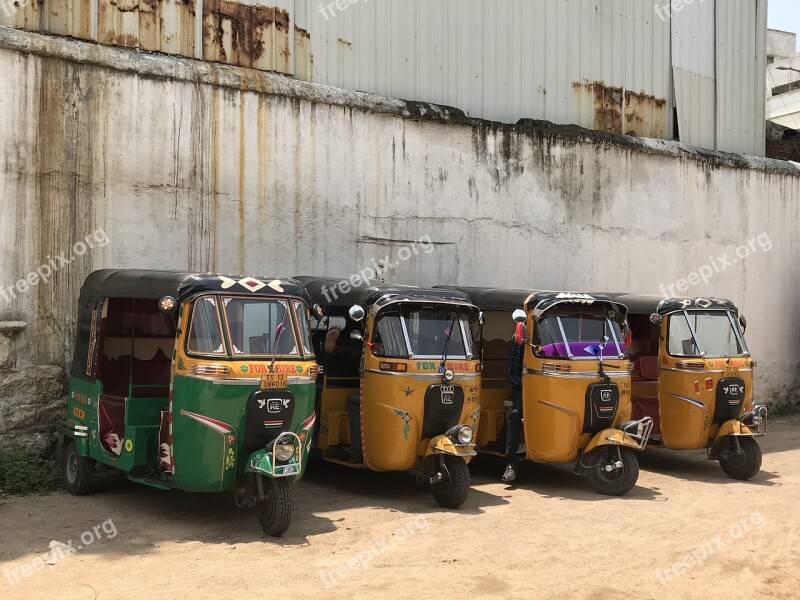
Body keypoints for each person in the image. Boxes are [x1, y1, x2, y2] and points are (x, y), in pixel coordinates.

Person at [502, 339, 524, 483]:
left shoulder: (553, 347)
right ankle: (511, 462)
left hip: (546, 390)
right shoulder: (518, 347)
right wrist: (525, 385)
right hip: (521, 391)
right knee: (516, 414)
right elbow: (511, 375)